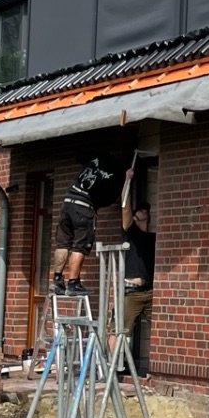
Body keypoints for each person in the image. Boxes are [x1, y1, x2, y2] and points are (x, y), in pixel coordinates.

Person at [51, 150, 129, 294]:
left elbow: (80, 156)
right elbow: (111, 199)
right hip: (84, 207)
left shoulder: (98, 156)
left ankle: (57, 280)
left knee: (63, 244)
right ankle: (73, 283)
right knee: (80, 246)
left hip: (68, 202)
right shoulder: (117, 175)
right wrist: (127, 179)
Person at [121, 193, 156, 364]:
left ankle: (154, 365)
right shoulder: (130, 232)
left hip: (149, 291)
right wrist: (127, 186)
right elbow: (125, 212)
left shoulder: (152, 238)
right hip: (131, 291)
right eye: (140, 210)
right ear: (135, 216)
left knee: (159, 325)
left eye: (146, 210)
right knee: (120, 329)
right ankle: (109, 366)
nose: (144, 212)